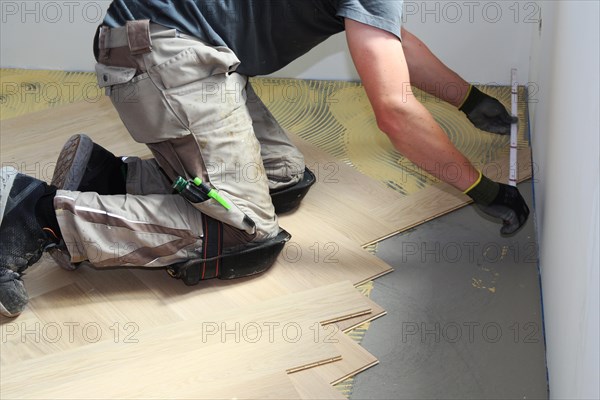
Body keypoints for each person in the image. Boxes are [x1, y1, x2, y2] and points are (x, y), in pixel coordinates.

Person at [0, 0, 529, 317]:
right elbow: (394, 110)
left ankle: (106, 177)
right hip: (163, 55)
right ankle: (37, 213)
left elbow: (390, 38)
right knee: (245, 237)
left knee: (284, 180)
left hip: (175, 44)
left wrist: (467, 99)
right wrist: (483, 190)